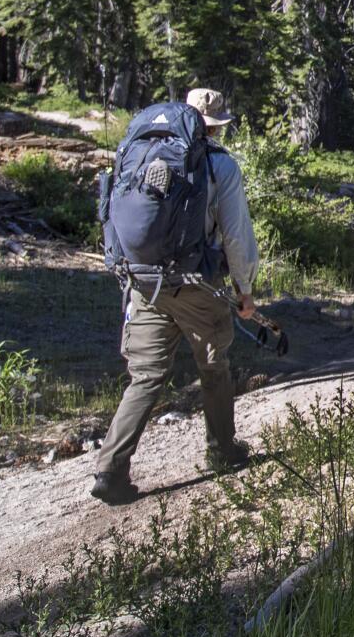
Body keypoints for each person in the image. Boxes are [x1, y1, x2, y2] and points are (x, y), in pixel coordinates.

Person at [90, 87, 261, 505]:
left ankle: (110, 470)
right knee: (214, 365)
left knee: (146, 376)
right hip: (193, 283)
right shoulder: (219, 164)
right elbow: (237, 237)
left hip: (143, 281)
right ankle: (222, 451)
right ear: (216, 125)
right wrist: (245, 290)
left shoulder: (139, 148)